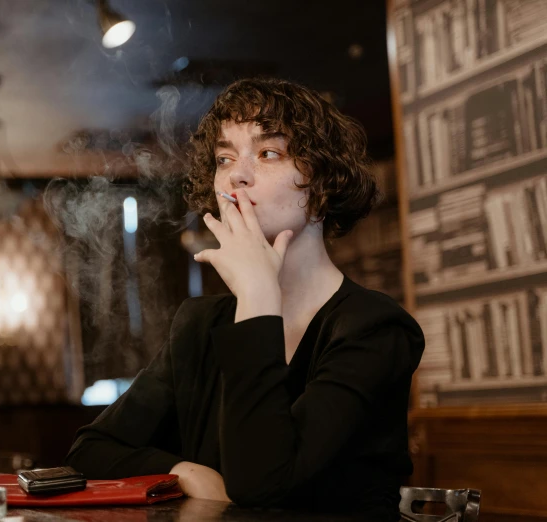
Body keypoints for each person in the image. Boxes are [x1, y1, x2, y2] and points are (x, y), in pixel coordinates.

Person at [65, 78, 425, 521]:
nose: (236, 173)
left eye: (268, 153)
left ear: (323, 181)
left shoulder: (374, 327)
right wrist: (183, 471)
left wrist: (258, 294)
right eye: (224, 158)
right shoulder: (199, 323)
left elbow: (262, 485)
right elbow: (92, 448)